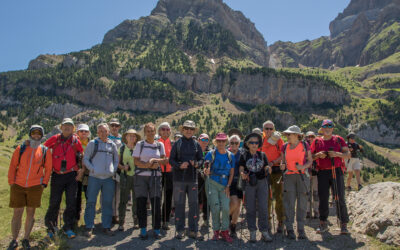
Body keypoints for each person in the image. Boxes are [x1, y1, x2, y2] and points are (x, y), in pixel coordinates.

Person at [7, 125, 52, 250]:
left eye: (39, 133)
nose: (36, 136)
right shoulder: (20, 148)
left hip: (35, 186)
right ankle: (14, 239)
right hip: (18, 185)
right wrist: (12, 182)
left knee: (30, 213)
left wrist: (44, 183)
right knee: (17, 213)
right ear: (30, 134)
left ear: (42, 135)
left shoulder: (44, 150)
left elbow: (48, 169)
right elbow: (13, 166)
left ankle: (26, 238)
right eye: (34, 133)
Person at [44, 118, 83, 239]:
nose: (67, 127)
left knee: (71, 202)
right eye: (65, 125)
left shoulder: (76, 140)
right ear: (61, 127)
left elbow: (82, 156)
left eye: (70, 126)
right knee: (54, 202)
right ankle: (51, 227)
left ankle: (68, 227)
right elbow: (42, 150)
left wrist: (81, 172)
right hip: (57, 175)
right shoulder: (55, 139)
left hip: (71, 175)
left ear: (73, 128)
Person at [311, 119, 351, 234]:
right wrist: (318, 155)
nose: (327, 128)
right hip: (322, 172)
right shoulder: (317, 141)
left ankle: (343, 223)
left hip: (336, 170)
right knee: (323, 198)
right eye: (325, 126)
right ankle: (323, 222)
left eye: (330, 126)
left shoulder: (338, 139)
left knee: (339, 197)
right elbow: (310, 156)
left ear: (332, 128)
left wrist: (336, 154)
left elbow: (348, 155)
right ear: (322, 129)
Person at [169, 120, 203, 240]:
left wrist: (197, 164)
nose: (189, 131)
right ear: (182, 130)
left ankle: (193, 230)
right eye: (187, 128)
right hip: (179, 179)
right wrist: (179, 165)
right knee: (179, 205)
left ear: (194, 131)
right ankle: (180, 229)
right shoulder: (177, 143)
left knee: (194, 205)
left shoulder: (196, 144)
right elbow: (171, 160)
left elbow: (201, 160)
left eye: (191, 129)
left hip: (193, 179)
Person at [83, 123, 119, 237]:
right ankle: (89, 226)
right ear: (97, 133)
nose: (103, 133)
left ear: (108, 132)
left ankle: (106, 226)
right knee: (91, 202)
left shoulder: (112, 145)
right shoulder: (93, 143)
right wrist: (92, 169)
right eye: (101, 131)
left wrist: (113, 170)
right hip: (94, 177)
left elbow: (116, 160)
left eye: (105, 131)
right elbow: (86, 158)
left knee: (107, 203)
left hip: (108, 178)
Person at [132, 122, 165, 240]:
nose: (150, 133)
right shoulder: (140, 144)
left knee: (156, 203)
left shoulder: (160, 145)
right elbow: (135, 161)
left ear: (155, 132)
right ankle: (143, 229)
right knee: (141, 203)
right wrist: (147, 165)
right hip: (141, 177)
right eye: (148, 131)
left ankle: (156, 229)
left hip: (156, 177)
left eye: (152, 131)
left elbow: (164, 160)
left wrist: (154, 160)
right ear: (145, 133)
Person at [280, 126, 313, 240]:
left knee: (302, 202)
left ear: (296, 135)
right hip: (289, 176)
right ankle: (289, 229)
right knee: (289, 203)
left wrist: (303, 166)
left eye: (289, 134)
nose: (287, 136)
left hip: (302, 175)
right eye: (287, 135)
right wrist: (282, 165)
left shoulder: (304, 145)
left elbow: (310, 160)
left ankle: (301, 229)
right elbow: (282, 161)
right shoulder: (284, 147)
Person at [239, 133, 272, 243]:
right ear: (247, 144)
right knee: (250, 208)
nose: (254, 144)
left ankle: (264, 231)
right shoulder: (244, 155)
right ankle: (252, 231)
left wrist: (268, 169)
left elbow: (267, 165)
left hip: (262, 182)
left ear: (259, 144)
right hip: (249, 183)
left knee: (263, 207)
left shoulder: (262, 155)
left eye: (256, 142)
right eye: (251, 142)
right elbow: (241, 168)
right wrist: (242, 173)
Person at [204, 133, 235, 243]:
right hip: (211, 182)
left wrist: (228, 186)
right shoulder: (210, 154)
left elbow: (231, 173)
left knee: (226, 207)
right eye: (219, 141)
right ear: (215, 142)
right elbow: (206, 167)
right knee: (215, 207)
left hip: (225, 185)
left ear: (226, 142)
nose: (221, 143)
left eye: (223, 141)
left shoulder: (231, 156)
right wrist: (206, 170)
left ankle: (225, 230)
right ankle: (216, 230)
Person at [261, 120, 285, 234]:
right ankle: (267, 221)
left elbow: (283, 155)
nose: (269, 130)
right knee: (266, 198)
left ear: (274, 129)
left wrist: (273, 162)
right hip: (264, 172)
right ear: (263, 130)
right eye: (267, 128)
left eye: (271, 128)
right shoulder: (260, 140)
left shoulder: (278, 140)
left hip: (276, 171)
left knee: (279, 196)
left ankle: (281, 221)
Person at [118, 129, 141, 231]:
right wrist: (123, 167)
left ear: (136, 138)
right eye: (130, 135)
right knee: (123, 200)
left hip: (137, 176)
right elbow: (117, 163)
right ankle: (121, 222)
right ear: (126, 137)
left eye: (134, 136)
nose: (132, 137)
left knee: (136, 200)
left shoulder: (139, 148)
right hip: (125, 176)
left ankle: (136, 221)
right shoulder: (122, 149)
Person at [157, 122, 174, 230]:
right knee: (157, 197)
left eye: (167, 129)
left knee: (168, 197)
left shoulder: (173, 144)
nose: (165, 131)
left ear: (170, 132)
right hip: (158, 172)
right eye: (163, 129)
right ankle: (157, 221)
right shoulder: (156, 143)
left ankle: (166, 220)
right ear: (159, 131)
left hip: (169, 172)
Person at [227, 134, 243, 238]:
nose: (234, 145)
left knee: (238, 205)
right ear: (229, 143)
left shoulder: (242, 153)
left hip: (240, 182)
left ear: (239, 143)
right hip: (229, 181)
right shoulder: (225, 153)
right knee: (234, 202)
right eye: (232, 143)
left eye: (236, 143)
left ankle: (233, 226)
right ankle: (226, 217)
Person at [75, 124, 91, 225]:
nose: (83, 133)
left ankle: (89, 221)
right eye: (81, 131)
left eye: (85, 131)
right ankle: (75, 220)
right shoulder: (74, 143)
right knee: (76, 198)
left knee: (89, 196)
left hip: (88, 175)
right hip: (76, 174)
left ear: (88, 133)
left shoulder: (92, 144)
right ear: (78, 133)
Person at [108, 118, 122, 225]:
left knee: (117, 193)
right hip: (106, 169)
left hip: (118, 169)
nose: (114, 127)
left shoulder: (122, 139)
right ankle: (106, 214)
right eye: (112, 125)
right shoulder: (104, 138)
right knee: (106, 193)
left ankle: (115, 214)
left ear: (119, 127)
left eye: (116, 126)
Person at [197, 133, 211, 229]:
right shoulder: (194, 151)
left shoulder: (210, 152)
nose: (204, 142)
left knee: (206, 199)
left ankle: (206, 219)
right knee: (195, 199)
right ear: (198, 140)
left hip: (206, 178)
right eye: (203, 140)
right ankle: (195, 220)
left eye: (206, 140)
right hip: (195, 177)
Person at [305, 131, 319, 219]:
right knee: (307, 193)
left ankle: (316, 210)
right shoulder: (304, 147)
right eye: (308, 137)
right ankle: (308, 211)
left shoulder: (318, 146)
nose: (310, 138)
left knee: (316, 193)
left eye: (312, 137)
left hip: (316, 173)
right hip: (306, 173)